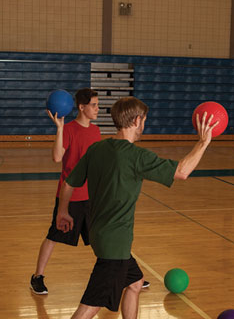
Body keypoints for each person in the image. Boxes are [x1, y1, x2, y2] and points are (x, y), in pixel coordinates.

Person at [41, 97, 218, 319]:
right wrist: (203, 142)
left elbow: (70, 182)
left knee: (135, 282)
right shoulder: (135, 156)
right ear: (137, 121)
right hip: (114, 247)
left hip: (102, 237)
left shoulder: (97, 149)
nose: (144, 124)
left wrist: (62, 211)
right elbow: (182, 172)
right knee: (87, 308)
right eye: (144, 120)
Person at [30, 89, 151, 294]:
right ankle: (37, 277)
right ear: (81, 107)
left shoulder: (95, 132)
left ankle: (128, 274)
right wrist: (59, 129)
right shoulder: (68, 129)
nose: (97, 108)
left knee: (110, 236)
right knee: (54, 236)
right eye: (94, 105)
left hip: (93, 196)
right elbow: (57, 158)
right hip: (70, 196)